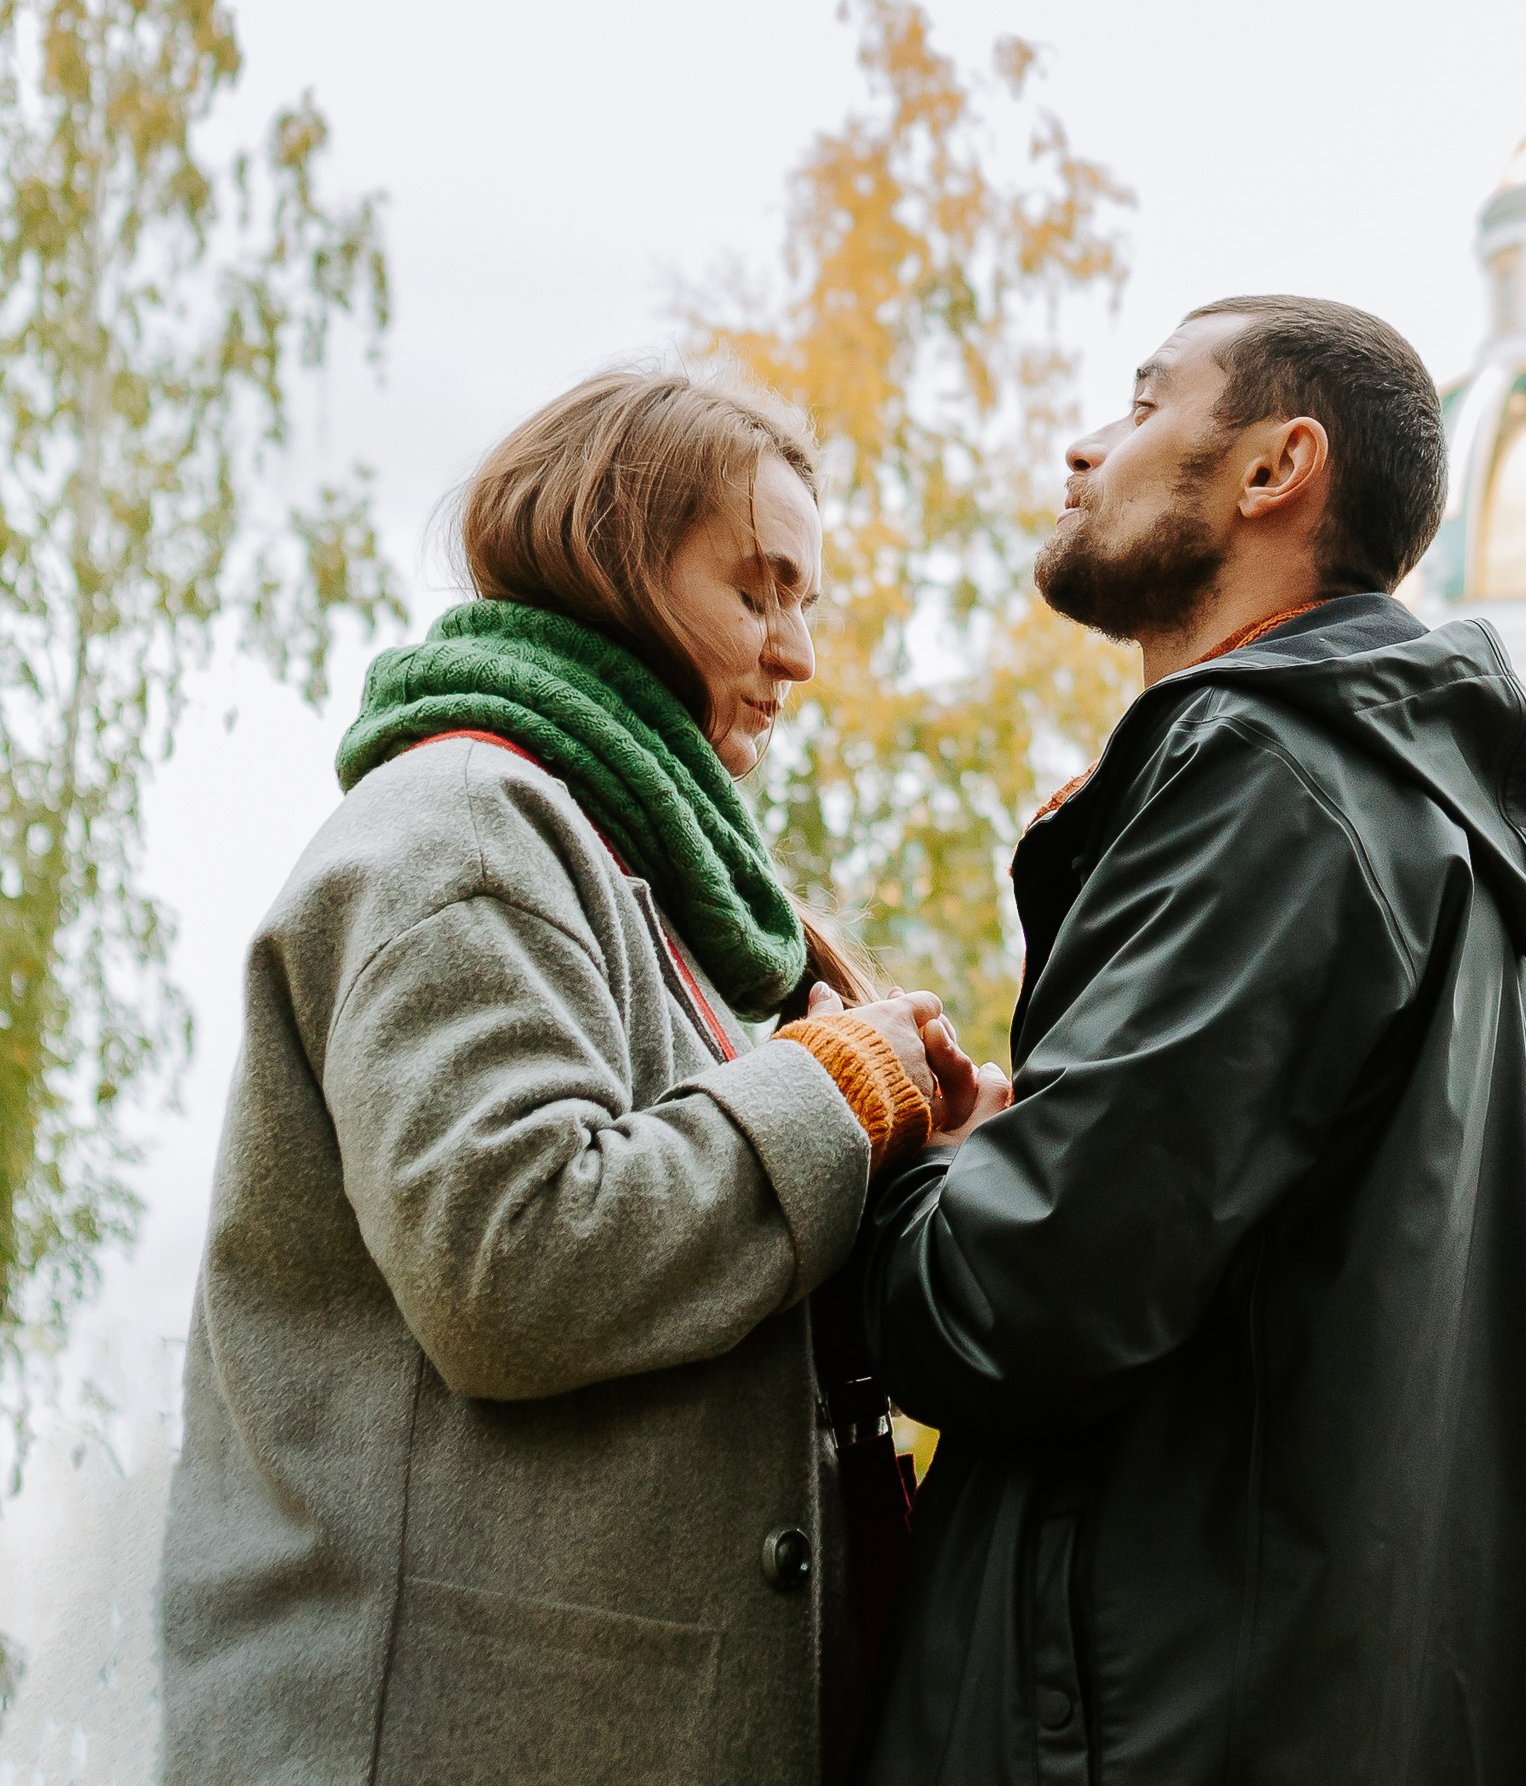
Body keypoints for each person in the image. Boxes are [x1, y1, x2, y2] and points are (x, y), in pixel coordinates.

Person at [859, 296, 1526, 1786]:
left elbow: (1022, 1296)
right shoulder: (1397, 801)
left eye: (1144, 404)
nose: (1084, 447)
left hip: (1151, 1729)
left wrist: (911, 1160)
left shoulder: (1271, 777)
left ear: (1277, 468)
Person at [161, 366, 976, 1786]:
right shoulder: (468, 832)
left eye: (806, 603)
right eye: (758, 592)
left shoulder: (630, 869)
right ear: (615, 570)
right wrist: (838, 1089)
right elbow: (513, 1261)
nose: (796, 654)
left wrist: (914, 1151)